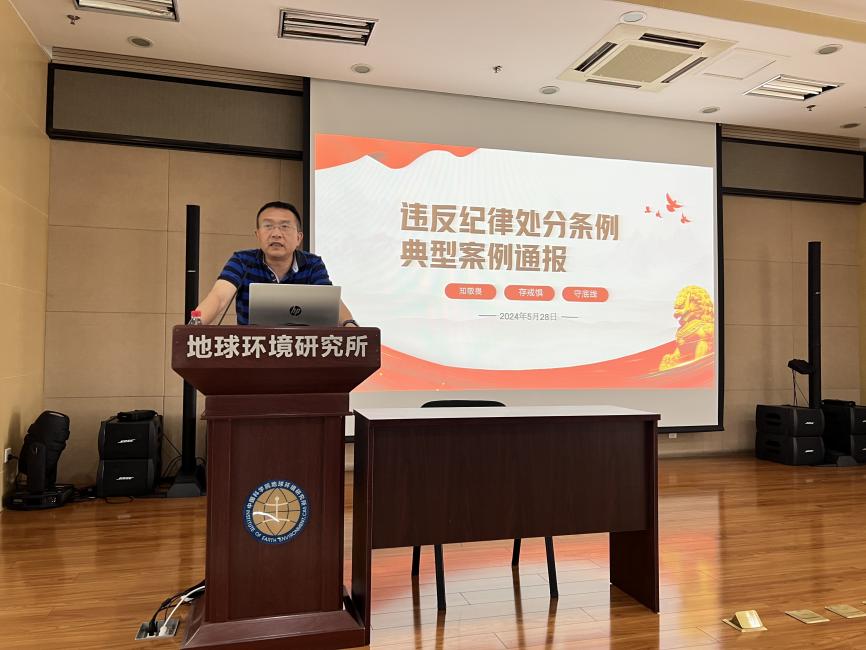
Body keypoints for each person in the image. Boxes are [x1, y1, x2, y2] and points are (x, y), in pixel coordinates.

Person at [194, 201, 356, 326]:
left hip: (302, 348)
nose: (276, 234)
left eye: (284, 227)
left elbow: (330, 302)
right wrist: (195, 324)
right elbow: (219, 297)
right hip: (252, 349)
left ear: (298, 238)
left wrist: (349, 324)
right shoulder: (242, 261)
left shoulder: (312, 264)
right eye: (268, 226)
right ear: (258, 235)